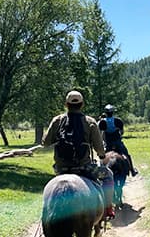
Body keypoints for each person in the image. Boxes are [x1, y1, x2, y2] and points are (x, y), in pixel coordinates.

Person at [41, 90, 115, 218]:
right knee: (108, 175)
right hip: (84, 168)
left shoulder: (57, 121)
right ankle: (108, 209)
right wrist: (102, 156)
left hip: (61, 168)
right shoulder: (90, 122)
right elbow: (99, 148)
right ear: (82, 104)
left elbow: (46, 142)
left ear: (66, 104)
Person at [98, 104, 138, 177]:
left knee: (102, 157)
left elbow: (100, 134)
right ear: (113, 112)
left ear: (106, 113)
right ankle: (132, 170)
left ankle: (101, 173)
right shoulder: (118, 121)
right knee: (126, 154)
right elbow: (122, 132)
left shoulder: (102, 122)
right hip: (117, 143)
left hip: (108, 144)